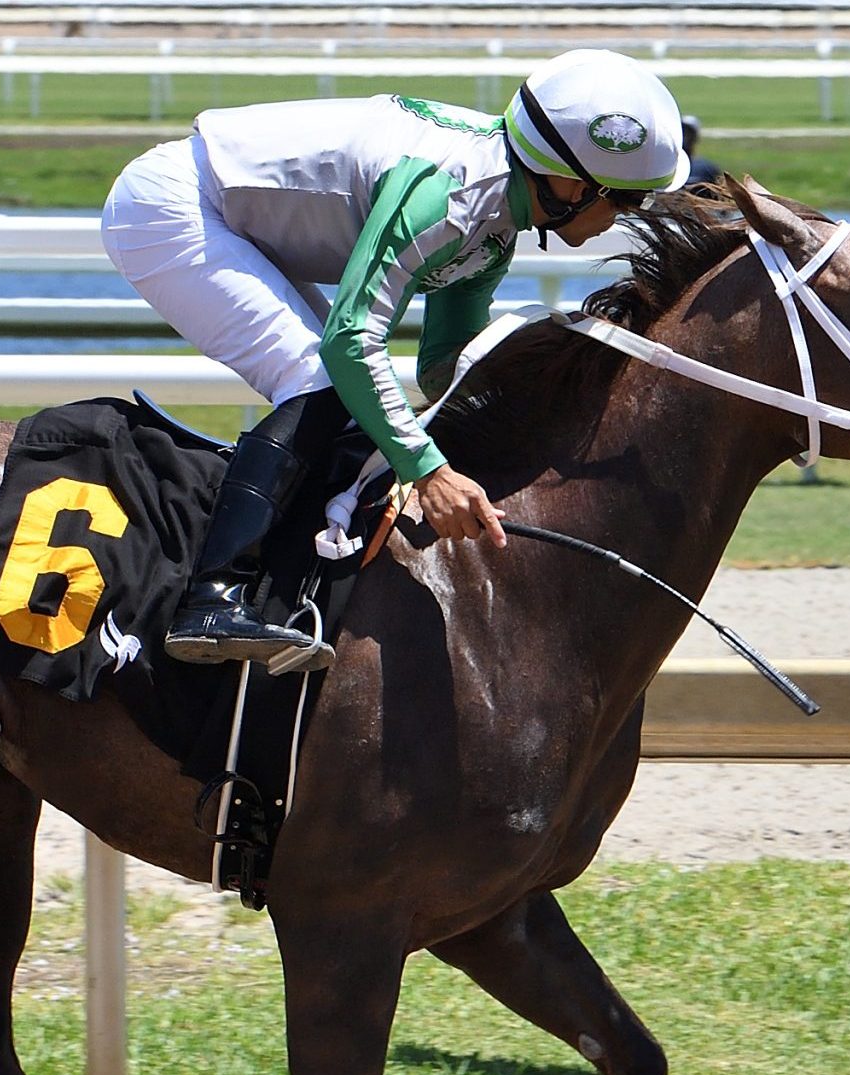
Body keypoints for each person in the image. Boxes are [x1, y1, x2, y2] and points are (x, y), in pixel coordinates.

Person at [102, 48, 691, 665]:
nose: (625, 218)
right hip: (172, 207)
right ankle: (212, 597)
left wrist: (553, 396)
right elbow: (351, 341)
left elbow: (446, 367)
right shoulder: (452, 198)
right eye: (626, 201)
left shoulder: (494, 224)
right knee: (320, 380)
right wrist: (428, 473)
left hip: (236, 218)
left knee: (351, 405)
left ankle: (284, 587)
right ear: (572, 185)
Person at [682, 114, 725, 186]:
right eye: (682, 132)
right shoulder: (667, 168)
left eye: (688, 133)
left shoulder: (707, 169)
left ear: (695, 137)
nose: (684, 137)